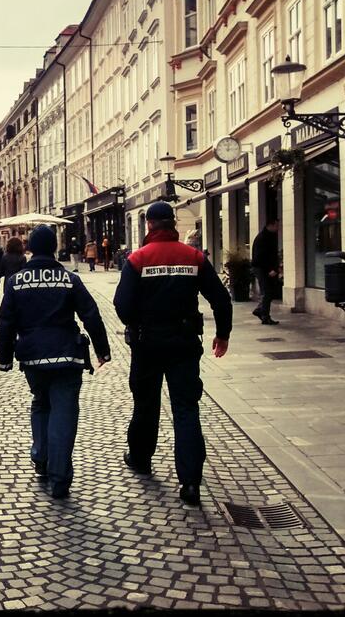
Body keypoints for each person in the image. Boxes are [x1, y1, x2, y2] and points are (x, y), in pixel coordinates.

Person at [113, 202, 232, 507]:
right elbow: (221, 298)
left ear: (150, 225)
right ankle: (190, 482)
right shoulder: (193, 256)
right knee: (186, 408)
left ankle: (140, 457)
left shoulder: (138, 259)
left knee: (146, 403)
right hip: (183, 343)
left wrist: (137, 323)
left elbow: (122, 305)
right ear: (173, 223)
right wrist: (223, 333)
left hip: (147, 344)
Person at [0, 225, 111, 499]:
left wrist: (4, 358)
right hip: (66, 356)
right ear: (54, 247)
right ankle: (60, 477)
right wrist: (102, 351)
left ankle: (41, 457)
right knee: (64, 411)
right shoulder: (69, 279)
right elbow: (91, 314)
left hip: (33, 357)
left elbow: (6, 323)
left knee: (41, 402)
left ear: (31, 248)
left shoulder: (15, 281)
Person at [251, 218, 280, 325]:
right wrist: (270, 269)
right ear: (270, 225)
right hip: (262, 269)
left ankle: (261, 312)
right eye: (276, 225)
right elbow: (261, 257)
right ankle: (264, 314)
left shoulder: (269, 237)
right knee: (267, 292)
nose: (278, 228)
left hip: (264, 268)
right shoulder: (263, 238)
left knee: (269, 292)